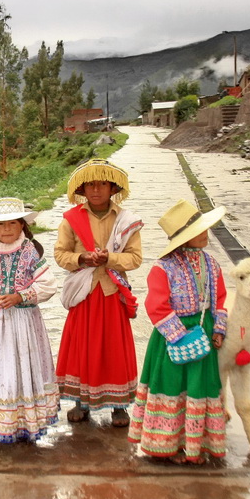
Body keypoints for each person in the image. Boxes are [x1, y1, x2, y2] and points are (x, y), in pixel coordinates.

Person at [128, 200, 229, 463]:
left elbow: (220, 298)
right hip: (170, 339)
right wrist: (180, 337)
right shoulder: (163, 268)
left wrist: (218, 328)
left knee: (199, 387)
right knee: (172, 386)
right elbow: (157, 305)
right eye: (198, 230)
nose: (205, 234)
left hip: (203, 334)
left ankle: (196, 444)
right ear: (183, 238)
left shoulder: (212, 264)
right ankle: (168, 445)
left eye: (204, 228)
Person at [54, 158, 143, 428]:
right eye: (90, 185)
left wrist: (110, 259)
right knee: (82, 346)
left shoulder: (126, 220)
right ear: (82, 190)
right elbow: (60, 254)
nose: (96, 190)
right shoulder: (71, 220)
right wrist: (82, 258)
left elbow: (135, 258)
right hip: (84, 293)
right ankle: (81, 402)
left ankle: (118, 406)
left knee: (113, 348)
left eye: (102, 184)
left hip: (111, 292)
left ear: (112, 188)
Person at [0, 197, 59, 443]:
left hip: (24, 323)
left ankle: (26, 419)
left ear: (22, 226)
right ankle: (1, 419)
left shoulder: (30, 253)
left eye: (13, 223)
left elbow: (48, 284)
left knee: (23, 362)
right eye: (1, 224)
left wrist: (20, 296)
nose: (7, 229)